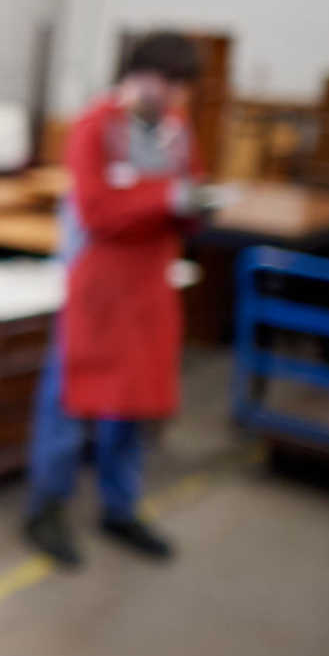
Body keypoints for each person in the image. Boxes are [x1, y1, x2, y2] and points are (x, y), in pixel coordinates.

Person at [23, 32, 212, 569]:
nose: (176, 97)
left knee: (132, 398)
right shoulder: (95, 125)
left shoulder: (176, 131)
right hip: (98, 283)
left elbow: (185, 191)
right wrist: (163, 197)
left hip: (150, 282)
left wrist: (194, 204)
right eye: (170, 83)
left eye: (182, 87)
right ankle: (47, 506)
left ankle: (121, 506)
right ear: (142, 74)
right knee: (71, 391)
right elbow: (98, 210)